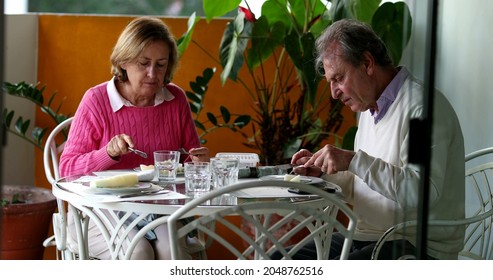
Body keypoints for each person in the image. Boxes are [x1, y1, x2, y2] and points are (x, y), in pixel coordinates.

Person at [290, 19, 465, 259]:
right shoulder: (369, 111)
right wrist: (324, 172)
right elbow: (365, 185)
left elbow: (418, 191)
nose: (333, 92)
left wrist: (352, 160)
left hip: (414, 246)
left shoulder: (421, 111)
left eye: (338, 78)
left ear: (367, 63)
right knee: (279, 260)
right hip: (368, 237)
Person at [59, 16, 210, 259]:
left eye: (161, 64)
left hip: (159, 209)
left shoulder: (175, 99)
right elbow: (66, 169)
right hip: (102, 210)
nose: (153, 73)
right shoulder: (97, 100)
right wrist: (108, 153)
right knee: (137, 252)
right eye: (144, 63)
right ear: (124, 61)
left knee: (170, 251)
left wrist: (198, 162)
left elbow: (190, 162)